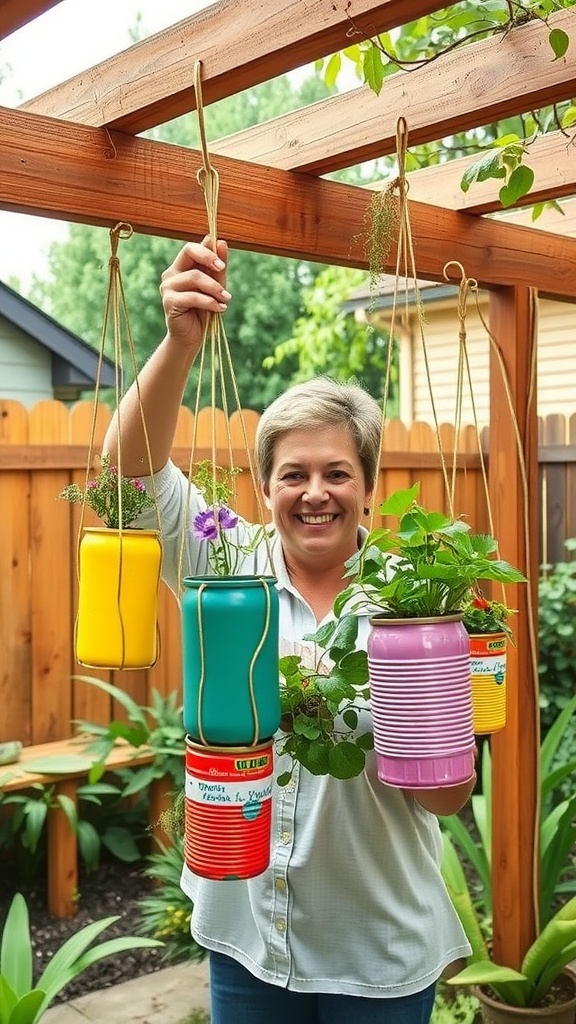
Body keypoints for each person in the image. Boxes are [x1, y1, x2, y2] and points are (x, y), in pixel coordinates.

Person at [103, 238, 476, 1024]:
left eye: (337, 473)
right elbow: (126, 478)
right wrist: (180, 341)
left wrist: (430, 726)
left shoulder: (414, 605)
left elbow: (449, 797)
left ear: (370, 489)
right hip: (247, 936)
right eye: (292, 474)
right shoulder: (225, 558)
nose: (315, 494)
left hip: (375, 945)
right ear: (263, 487)